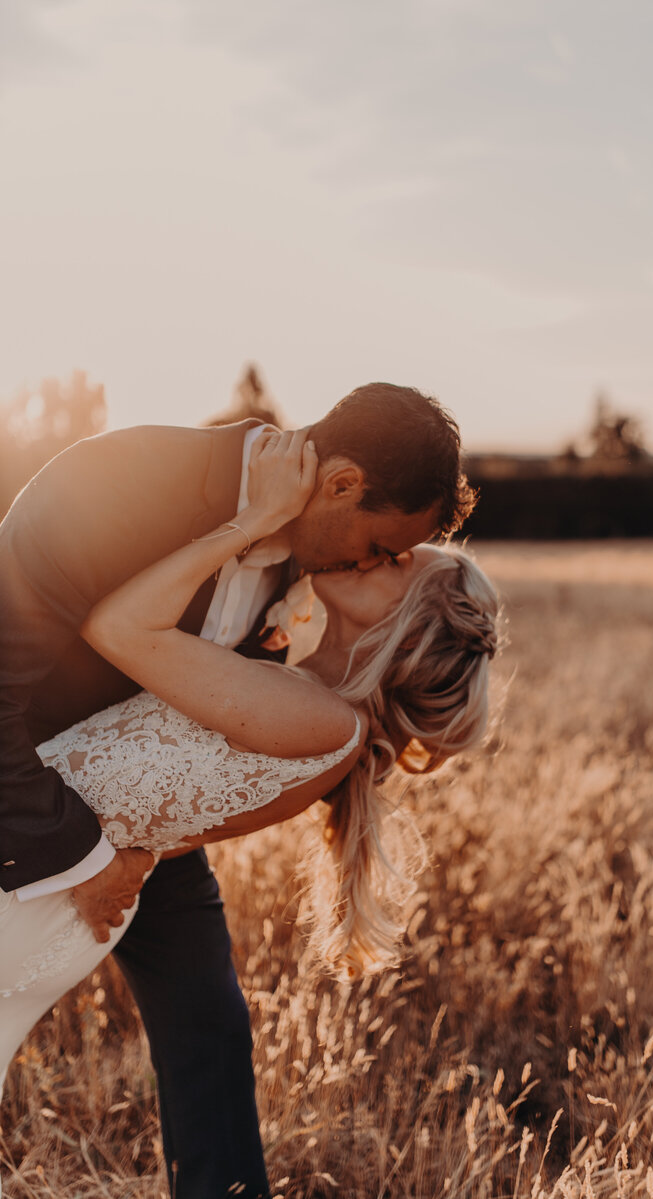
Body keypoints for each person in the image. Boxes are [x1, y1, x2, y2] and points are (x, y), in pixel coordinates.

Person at [0, 383, 478, 1198]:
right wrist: (86, 859)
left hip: (127, 817)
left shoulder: (305, 562)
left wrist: (132, 849)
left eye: (386, 562)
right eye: (376, 544)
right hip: (29, 799)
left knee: (211, 1029)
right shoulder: (120, 481)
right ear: (340, 483)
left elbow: (199, 742)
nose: (367, 563)